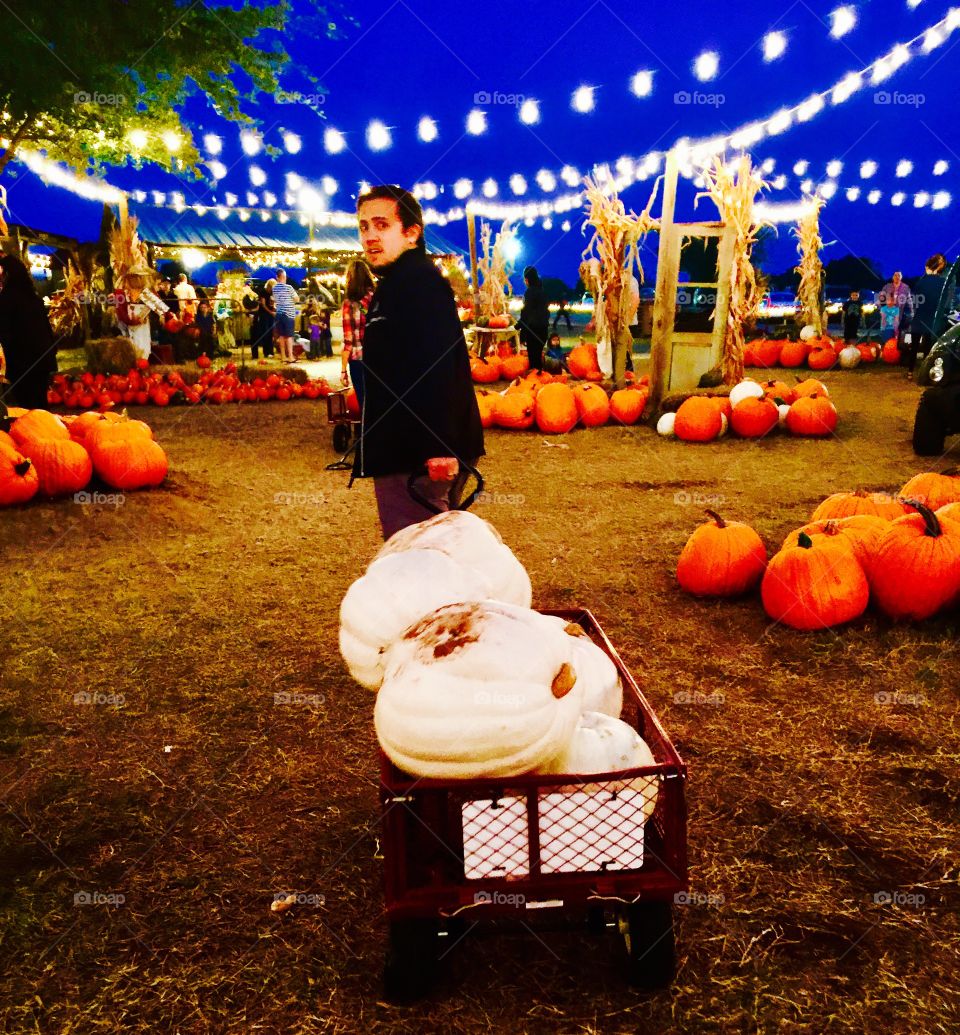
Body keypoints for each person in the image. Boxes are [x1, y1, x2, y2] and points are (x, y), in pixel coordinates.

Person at [352, 184, 484, 540]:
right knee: (433, 551)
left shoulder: (418, 283)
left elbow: (439, 367)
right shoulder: (398, 283)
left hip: (417, 456)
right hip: (407, 449)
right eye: (364, 227)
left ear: (411, 233)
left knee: (418, 557)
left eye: (382, 225)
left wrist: (439, 446)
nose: (370, 236)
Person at [0, 254, 59, 409]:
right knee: (40, 403)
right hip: (42, 358)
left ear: (7, 275)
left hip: (23, 362)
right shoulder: (33, 297)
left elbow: (4, 331)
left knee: (28, 406)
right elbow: (46, 328)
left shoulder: (7, 298)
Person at [905, 254, 950, 374]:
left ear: (928, 267)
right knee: (928, 348)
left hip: (919, 318)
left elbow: (914, 301)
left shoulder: (921, 282)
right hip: (932, 320)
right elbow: (945, 303)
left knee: (914, 347)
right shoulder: (943, 283)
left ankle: (910, 371)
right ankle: (925, 373)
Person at [340, 258, 376, 409]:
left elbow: (349, 341)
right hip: (379, 357)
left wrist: (343, 370)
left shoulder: (349, 304)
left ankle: (367, 431)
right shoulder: (377, 298)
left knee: (364, 402)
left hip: (358, 359)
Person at [518, 265, 549, 371]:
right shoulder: (543, 292)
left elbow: (526, 313)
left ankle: (534, 381)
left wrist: (518, 326)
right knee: (538, 356)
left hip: (533, 330)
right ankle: (539, 378)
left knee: (533, 358)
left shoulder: (529, 292)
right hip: (543, 329)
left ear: (527, 279)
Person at [272, 268, 299, 363]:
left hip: (279, 314)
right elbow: (297, 299)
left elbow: (276, 300)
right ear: (282, 277)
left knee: (281, 336)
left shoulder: (274, 288)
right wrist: (291, 300)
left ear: (277, 277)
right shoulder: (289, 287)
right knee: (289, 336)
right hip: (288, 314)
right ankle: (290, 356)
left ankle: (283, 356)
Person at [250, 280, 276, 361]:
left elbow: (272, 303)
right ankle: (266, 352)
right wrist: (271, 312)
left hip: (271, 315)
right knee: (266, 332)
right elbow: (264, 305)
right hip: (264, 315)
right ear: (269, 286)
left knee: (270, 333)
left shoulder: (272, 293)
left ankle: (270, 352)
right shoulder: (263, 292)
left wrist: (274, 310)